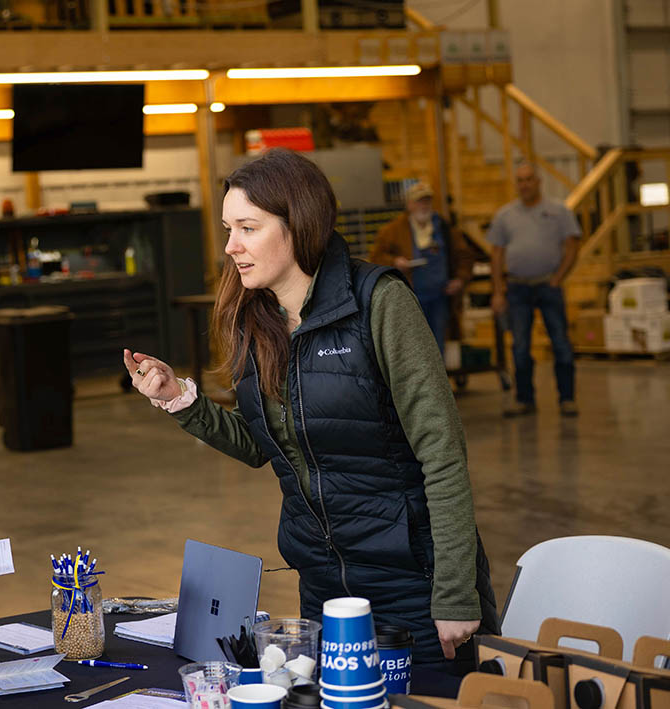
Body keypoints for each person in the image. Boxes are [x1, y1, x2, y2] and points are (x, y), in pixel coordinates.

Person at [123, 149, 499, 671]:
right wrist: (179, 400)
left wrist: (456, 594)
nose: (232, 246)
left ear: (298, 225)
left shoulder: (380, 303)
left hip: (415, 583)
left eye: (248, 228)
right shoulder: (257, 321)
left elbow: (442, 455)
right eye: (229, 228)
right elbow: (265, 445)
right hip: (323, 586)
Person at [487, 163, 582, 418]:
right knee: (519, 346)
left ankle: (567, 398)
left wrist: (559, 277)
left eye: (529, 179)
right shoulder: (504, 216)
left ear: (538, 181)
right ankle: (525, 399)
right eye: (519, 180)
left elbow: (572, 246)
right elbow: (496, 255)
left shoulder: (558, 211)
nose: (524, 184)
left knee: (560, 342)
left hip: (548, 285)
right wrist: (498, 291)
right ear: (515, 184)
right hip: (517, 288)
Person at [370, 181, 474, 357]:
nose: (423, 205)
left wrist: (460, 279)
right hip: (409, 300)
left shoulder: (444, 228)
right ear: (409, 205)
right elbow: (376, 258)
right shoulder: (392, 231)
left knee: (438, 346)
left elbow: (465, 256)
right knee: (413, 348)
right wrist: (395, 261)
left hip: (440, 298)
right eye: (419, 201)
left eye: (427, 201)